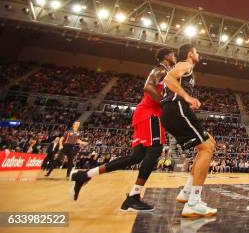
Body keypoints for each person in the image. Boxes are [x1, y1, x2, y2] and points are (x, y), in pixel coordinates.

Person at [70, 48, 176, 211]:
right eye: (173, 55)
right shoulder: (161, 69)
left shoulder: (167, 72)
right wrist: (165, 104)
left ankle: (85, 175)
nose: (175, 57)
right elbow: (148, 88)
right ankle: (133, 197)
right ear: (167, 57)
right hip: (150, 113)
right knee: (155, 149)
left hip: (145, 114)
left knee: (136, 157)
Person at [161, 44, 217, 218]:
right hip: (176, 108)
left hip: (173, 111)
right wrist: (187, 97)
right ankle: (193, 202)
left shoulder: (186, 68)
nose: (198, 54)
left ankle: (187, 192)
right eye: (197, 51)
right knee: (207, 147)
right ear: (190, 54)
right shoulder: (185, 64)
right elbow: (168, 79)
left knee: (209, 144)